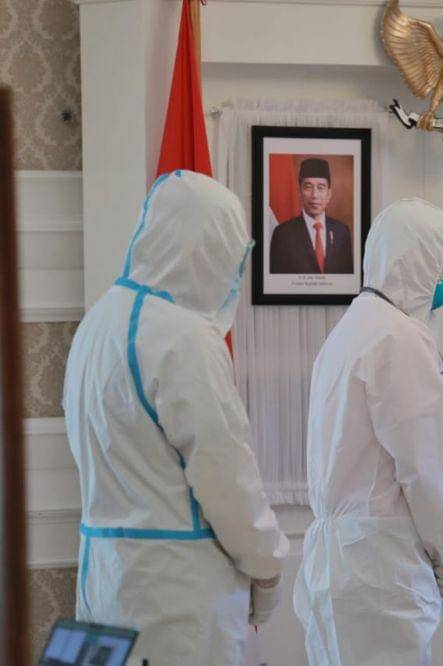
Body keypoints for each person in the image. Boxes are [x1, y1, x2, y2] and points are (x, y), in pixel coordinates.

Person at [63, 170, 291, 664]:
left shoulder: (95, 325)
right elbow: (225, 476)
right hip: (176, 598)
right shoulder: (184, 338)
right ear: (210, 249)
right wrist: (268, 566)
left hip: (103, 579)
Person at [294, 198, 443, 666]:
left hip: (338, 567)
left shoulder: (348, 332)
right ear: (417, 260)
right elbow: (430, 462)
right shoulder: (398, 337)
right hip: (380, 571)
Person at [270, 157, 353, 274]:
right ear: (299, 192)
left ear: (329, 194)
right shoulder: (282, 234)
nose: (314, 195)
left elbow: (348, 278)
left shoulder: (342, 232)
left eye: (321, 187)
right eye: (308, 187)